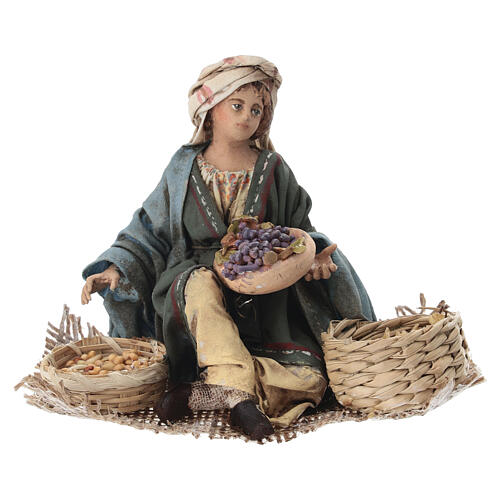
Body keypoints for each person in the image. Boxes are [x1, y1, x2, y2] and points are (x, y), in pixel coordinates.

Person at [81, 55, 376, 440]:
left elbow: (299, 230)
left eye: (256, 109)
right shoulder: (182, 168)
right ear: (210, 109)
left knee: (311, 380)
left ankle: (203, 390)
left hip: (267, 301)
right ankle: (241, 398)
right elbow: (149, 229)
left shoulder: (273, 168)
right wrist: (115, 267)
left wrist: (315, 254)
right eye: (236, 105)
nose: (246, 117)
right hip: (195, 288)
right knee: (199, 284)